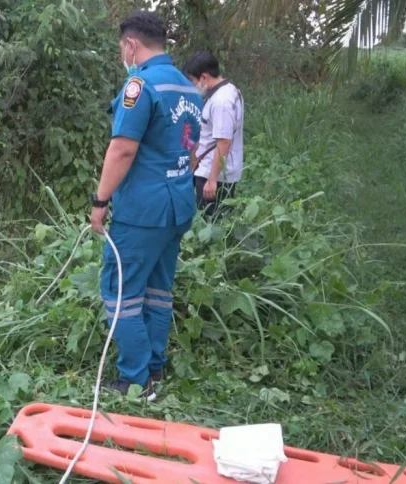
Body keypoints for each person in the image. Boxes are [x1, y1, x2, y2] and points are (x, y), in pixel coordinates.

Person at [90, 11, 202, 399]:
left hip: (142, 211)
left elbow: (122, 149)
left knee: (119, 292)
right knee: (157, 290)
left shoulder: (140, 85)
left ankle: (136, 380)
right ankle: (155, 367)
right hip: (177, 207)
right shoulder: (188, 88)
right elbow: (191, 153)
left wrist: (100, 200)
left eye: (122, 48)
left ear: (131, 44)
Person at [183, 50, 244, 221]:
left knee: (210, 223)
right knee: (219, 222)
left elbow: (224, 142)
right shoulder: (230, 90)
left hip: (213, 174)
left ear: (204, 77)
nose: (192, 86)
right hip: (220, 172)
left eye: (193, 81)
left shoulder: (221, 101)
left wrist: (212, 180)